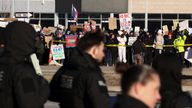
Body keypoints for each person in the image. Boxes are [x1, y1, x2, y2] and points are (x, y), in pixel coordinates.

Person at [49, 30, 109, 108]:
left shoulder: (64, 69)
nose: (103, 54)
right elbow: (101, 102)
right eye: (102, 50)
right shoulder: (91, 74)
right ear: (94, 50)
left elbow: (52, 95)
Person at [0, 21, 49, 108]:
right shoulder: (23, 71)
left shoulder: (3, 64)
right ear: (26, 40)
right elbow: (30, 101)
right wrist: (44, 87)